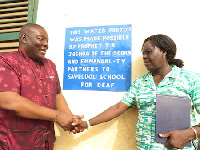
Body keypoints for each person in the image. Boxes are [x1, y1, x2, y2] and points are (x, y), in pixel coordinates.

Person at [72, 34, 200, 150]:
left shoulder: (190, 79)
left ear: (164, 52)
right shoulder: (140, 83)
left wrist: (189, 134)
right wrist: (86, 123)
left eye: (149, 52)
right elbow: (118, 107)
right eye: (143, 53)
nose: (144, 56)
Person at [0, 23, 81, 149]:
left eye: (47, 40)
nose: (46, 44)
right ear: (24, 38)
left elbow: (57, 94)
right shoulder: (6, 61)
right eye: (41, 39)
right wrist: (57, 116)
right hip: (16, 142)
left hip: (45, 142)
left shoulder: (50, 65)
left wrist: (70, 119)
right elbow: (11, 102)